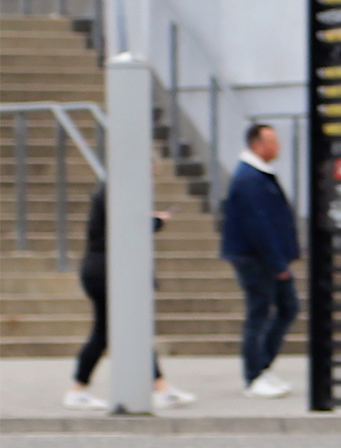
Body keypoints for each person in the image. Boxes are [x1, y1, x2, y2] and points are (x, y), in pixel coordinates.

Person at [64, 185, 191, 410]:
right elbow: (128, 228)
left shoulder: (110, 191)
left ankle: (79, 389)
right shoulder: (117, 190)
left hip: (101, 270)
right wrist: (156, 222)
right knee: (128, 328)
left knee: (106, 331)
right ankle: (160, 388)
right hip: (108, 271)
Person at [220, 121, 300, 397]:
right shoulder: (249, 179)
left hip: (268, 257)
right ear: (257, 145)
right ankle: (254, 375)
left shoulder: (259, 174)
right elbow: (258, 225)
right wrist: (277, 263)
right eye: (272, 141)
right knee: (259, 313)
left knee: (288, 308)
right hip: (256, 259)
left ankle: (263, 367)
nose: (277, 146)